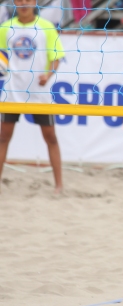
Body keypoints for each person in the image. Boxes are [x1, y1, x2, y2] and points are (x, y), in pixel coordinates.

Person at [0, 0, 65, 193]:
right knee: (3, 137)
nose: (24, 3)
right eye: (19, 0)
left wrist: (48, 74)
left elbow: (56, 58)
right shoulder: (5, 27)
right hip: (13, 92)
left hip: (39, 93)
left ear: (34, 2)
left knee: (50, 137)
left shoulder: (46, 27)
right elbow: (2, 57)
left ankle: (59, 185)